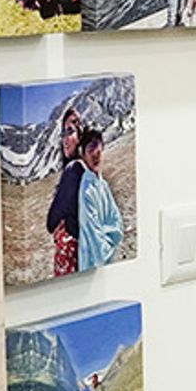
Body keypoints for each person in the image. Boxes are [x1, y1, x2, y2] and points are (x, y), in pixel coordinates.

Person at [75, 125, 126, 272]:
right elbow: (97, 245)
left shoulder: (103, 185)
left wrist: (107, 234)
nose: (96, 155)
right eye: (90, 149)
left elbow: (119, 226)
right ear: (83, 155)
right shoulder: (86, 191)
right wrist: (110, 235)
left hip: (107, 264)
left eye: (98, 149)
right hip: (91, 266)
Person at [46, 106, 87, 279]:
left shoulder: (73, 170)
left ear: (81, 136)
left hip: (70, 263)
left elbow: (51, 222)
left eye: (70, 131)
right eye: (63, 133)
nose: (65, 139)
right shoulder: (87, 170)